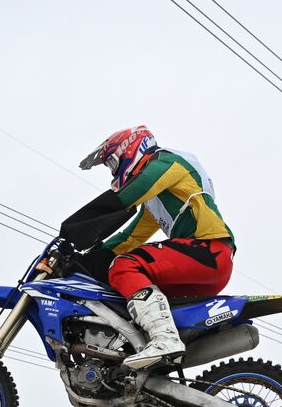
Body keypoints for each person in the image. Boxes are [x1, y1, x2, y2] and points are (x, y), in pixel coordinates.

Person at [50, 126, 235, 369]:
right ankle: (145, 364)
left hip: (209, 250)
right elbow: (129, 238)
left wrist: (72, 232)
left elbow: (130, 194)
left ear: (130, 148)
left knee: (124, 265)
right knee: (122, 286)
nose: (113, 172)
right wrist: (82, 262)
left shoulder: (168, 162)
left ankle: (164, 339)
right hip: (198, 265)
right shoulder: (155, 200)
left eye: (113, 163)